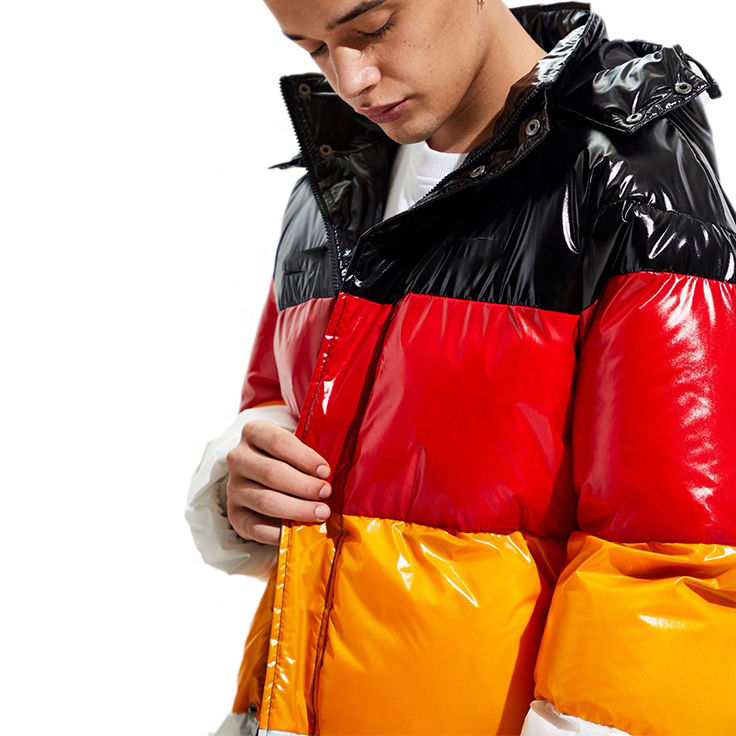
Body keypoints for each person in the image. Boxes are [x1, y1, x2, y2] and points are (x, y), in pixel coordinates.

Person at [185, 1, 736, 734]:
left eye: (371, 28)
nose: (350, 79)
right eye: (312, 47)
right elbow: (272, 406)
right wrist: (240, 484)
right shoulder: (333, 183)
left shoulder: (627, 178)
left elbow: (670, 559)